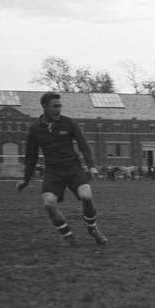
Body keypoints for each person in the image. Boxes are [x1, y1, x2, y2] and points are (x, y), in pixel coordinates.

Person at [16, 92, 108, 246]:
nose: (58, 109)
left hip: (73, 168)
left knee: (86, 196)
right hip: (53, 171)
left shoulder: (69, 123)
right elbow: (30, 156)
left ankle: (93, 229)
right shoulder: (35, 129)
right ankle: (68, 236)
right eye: (54, 106)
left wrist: (91, 166)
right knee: (48, 203)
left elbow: (83, 145)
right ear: (44, 107)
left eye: (60, 106)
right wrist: (25, 179)